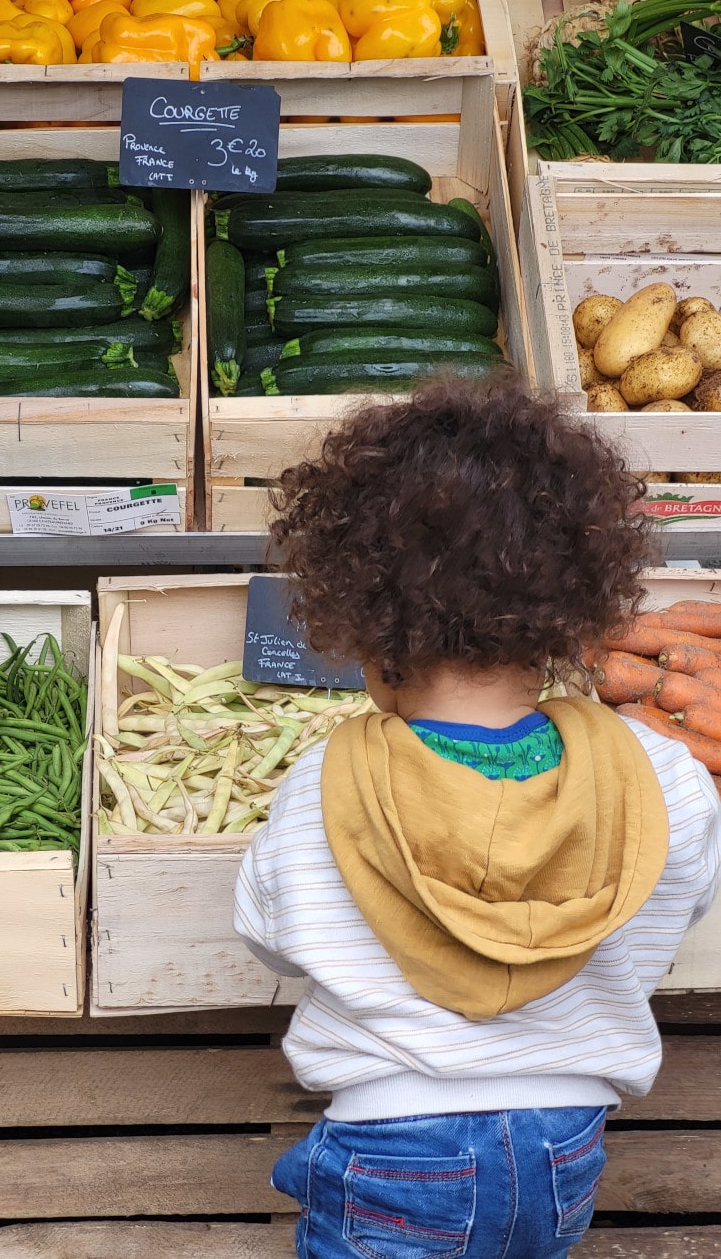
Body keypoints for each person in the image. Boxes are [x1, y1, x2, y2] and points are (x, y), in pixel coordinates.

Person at [233, 378, 721, 1259]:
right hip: (567, 1144)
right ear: (575, 597)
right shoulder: (666, 777)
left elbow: (272, 936)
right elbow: (674, 899)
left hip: (391, 1145)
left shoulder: (323, 784)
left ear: (363, 613)